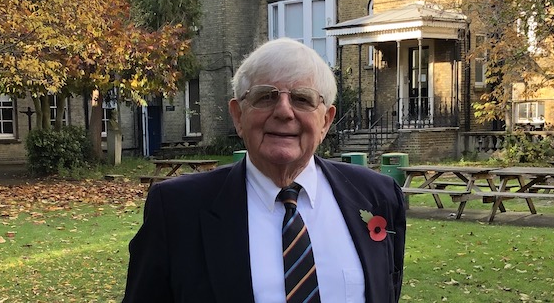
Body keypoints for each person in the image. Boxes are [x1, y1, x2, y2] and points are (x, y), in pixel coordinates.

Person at [123, 38, 406, 303]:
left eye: (302, 99)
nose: (283, 111)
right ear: (238, 116)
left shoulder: (379, 196)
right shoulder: (176, 209)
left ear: (326, 121)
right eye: (265, 97)